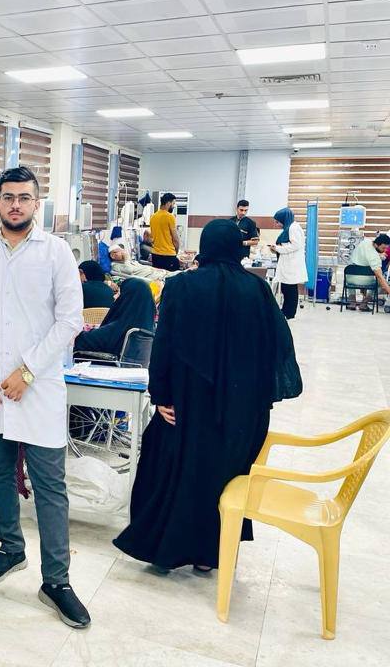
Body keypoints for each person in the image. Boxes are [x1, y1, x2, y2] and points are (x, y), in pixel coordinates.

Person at [114, 219, 302, 572]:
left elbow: (164, 345)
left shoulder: (182, 286)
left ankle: (166, 549)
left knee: (174, 468)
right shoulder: (257, 289)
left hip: (189, 403)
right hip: (242, 410)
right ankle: (208, 554)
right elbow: (277, 345)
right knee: (223, 477)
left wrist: (161, 395)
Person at [0, 166, 90, 629]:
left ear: (36, 203)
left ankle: (57, 581)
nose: (15, 205)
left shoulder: (56, 252)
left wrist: (28, 370)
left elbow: (70, 320)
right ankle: (11, 548)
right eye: (8, 197)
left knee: (50, 485)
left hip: (39, 387)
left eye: (24, 198)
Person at [73, 278, 155, 357]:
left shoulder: (118, 329)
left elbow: (81, 340)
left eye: (119, 294)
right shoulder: (147, 330)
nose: (114, 297)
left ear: (127, 298)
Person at [270, 208, 307, 320]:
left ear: (284, 219)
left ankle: (290, 313)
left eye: (278, 222)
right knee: (286, 289)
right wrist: (277, 248)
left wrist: (278, 248)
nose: (277, 224)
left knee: (290, 290)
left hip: (292, 264)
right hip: (288, 263)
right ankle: (286, 311)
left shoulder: (293, 228)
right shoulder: (289, 228)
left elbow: (295, 245)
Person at [346, 233, 390, 312]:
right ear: (376, 245)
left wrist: (379, 253)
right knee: (379, 282)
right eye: (383, 248)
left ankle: (352, 302)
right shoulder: (375, 259)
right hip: (365, 280)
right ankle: (364, 303)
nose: (384, 250)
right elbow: (380, 277)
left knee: (350, 273)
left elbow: (367, 252)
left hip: (350, 278)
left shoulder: (365, 242)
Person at [108, 243, 180, 282]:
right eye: (120, 251)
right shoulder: (115, 266)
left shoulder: (130, 262)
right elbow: (129, 271)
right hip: (157, 278)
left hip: (160, 273)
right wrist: (126, 258)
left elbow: (144, 267)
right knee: (182, 276)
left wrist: (162, 270)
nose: (123, 252)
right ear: (113, 255)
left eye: (123, 250)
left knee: (181, 273)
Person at [149, 193, 181, 271]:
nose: (173, 206)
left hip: (155, 256)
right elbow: (175, 239)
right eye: (173, 204)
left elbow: (152, 238)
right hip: (168, 255)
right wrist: (176, 252)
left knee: (158, 277)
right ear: (168, 203)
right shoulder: (170, 217)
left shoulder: (153, 217)